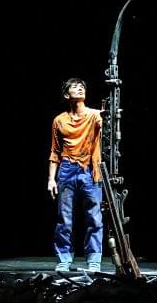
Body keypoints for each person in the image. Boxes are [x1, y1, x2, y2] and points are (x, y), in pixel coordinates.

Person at [47, 78, 103, 273]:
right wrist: (51, 179)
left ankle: (94, 258)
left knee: (94, 217)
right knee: (64, 218)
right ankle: (64, 257)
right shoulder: (59, 120)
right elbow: (55, 152)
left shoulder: (95, 115)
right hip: (67, 168)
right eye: (74, 87)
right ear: (66, 95)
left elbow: (106, 123)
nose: (79, 88)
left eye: (82, 86)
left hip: (90, 169)